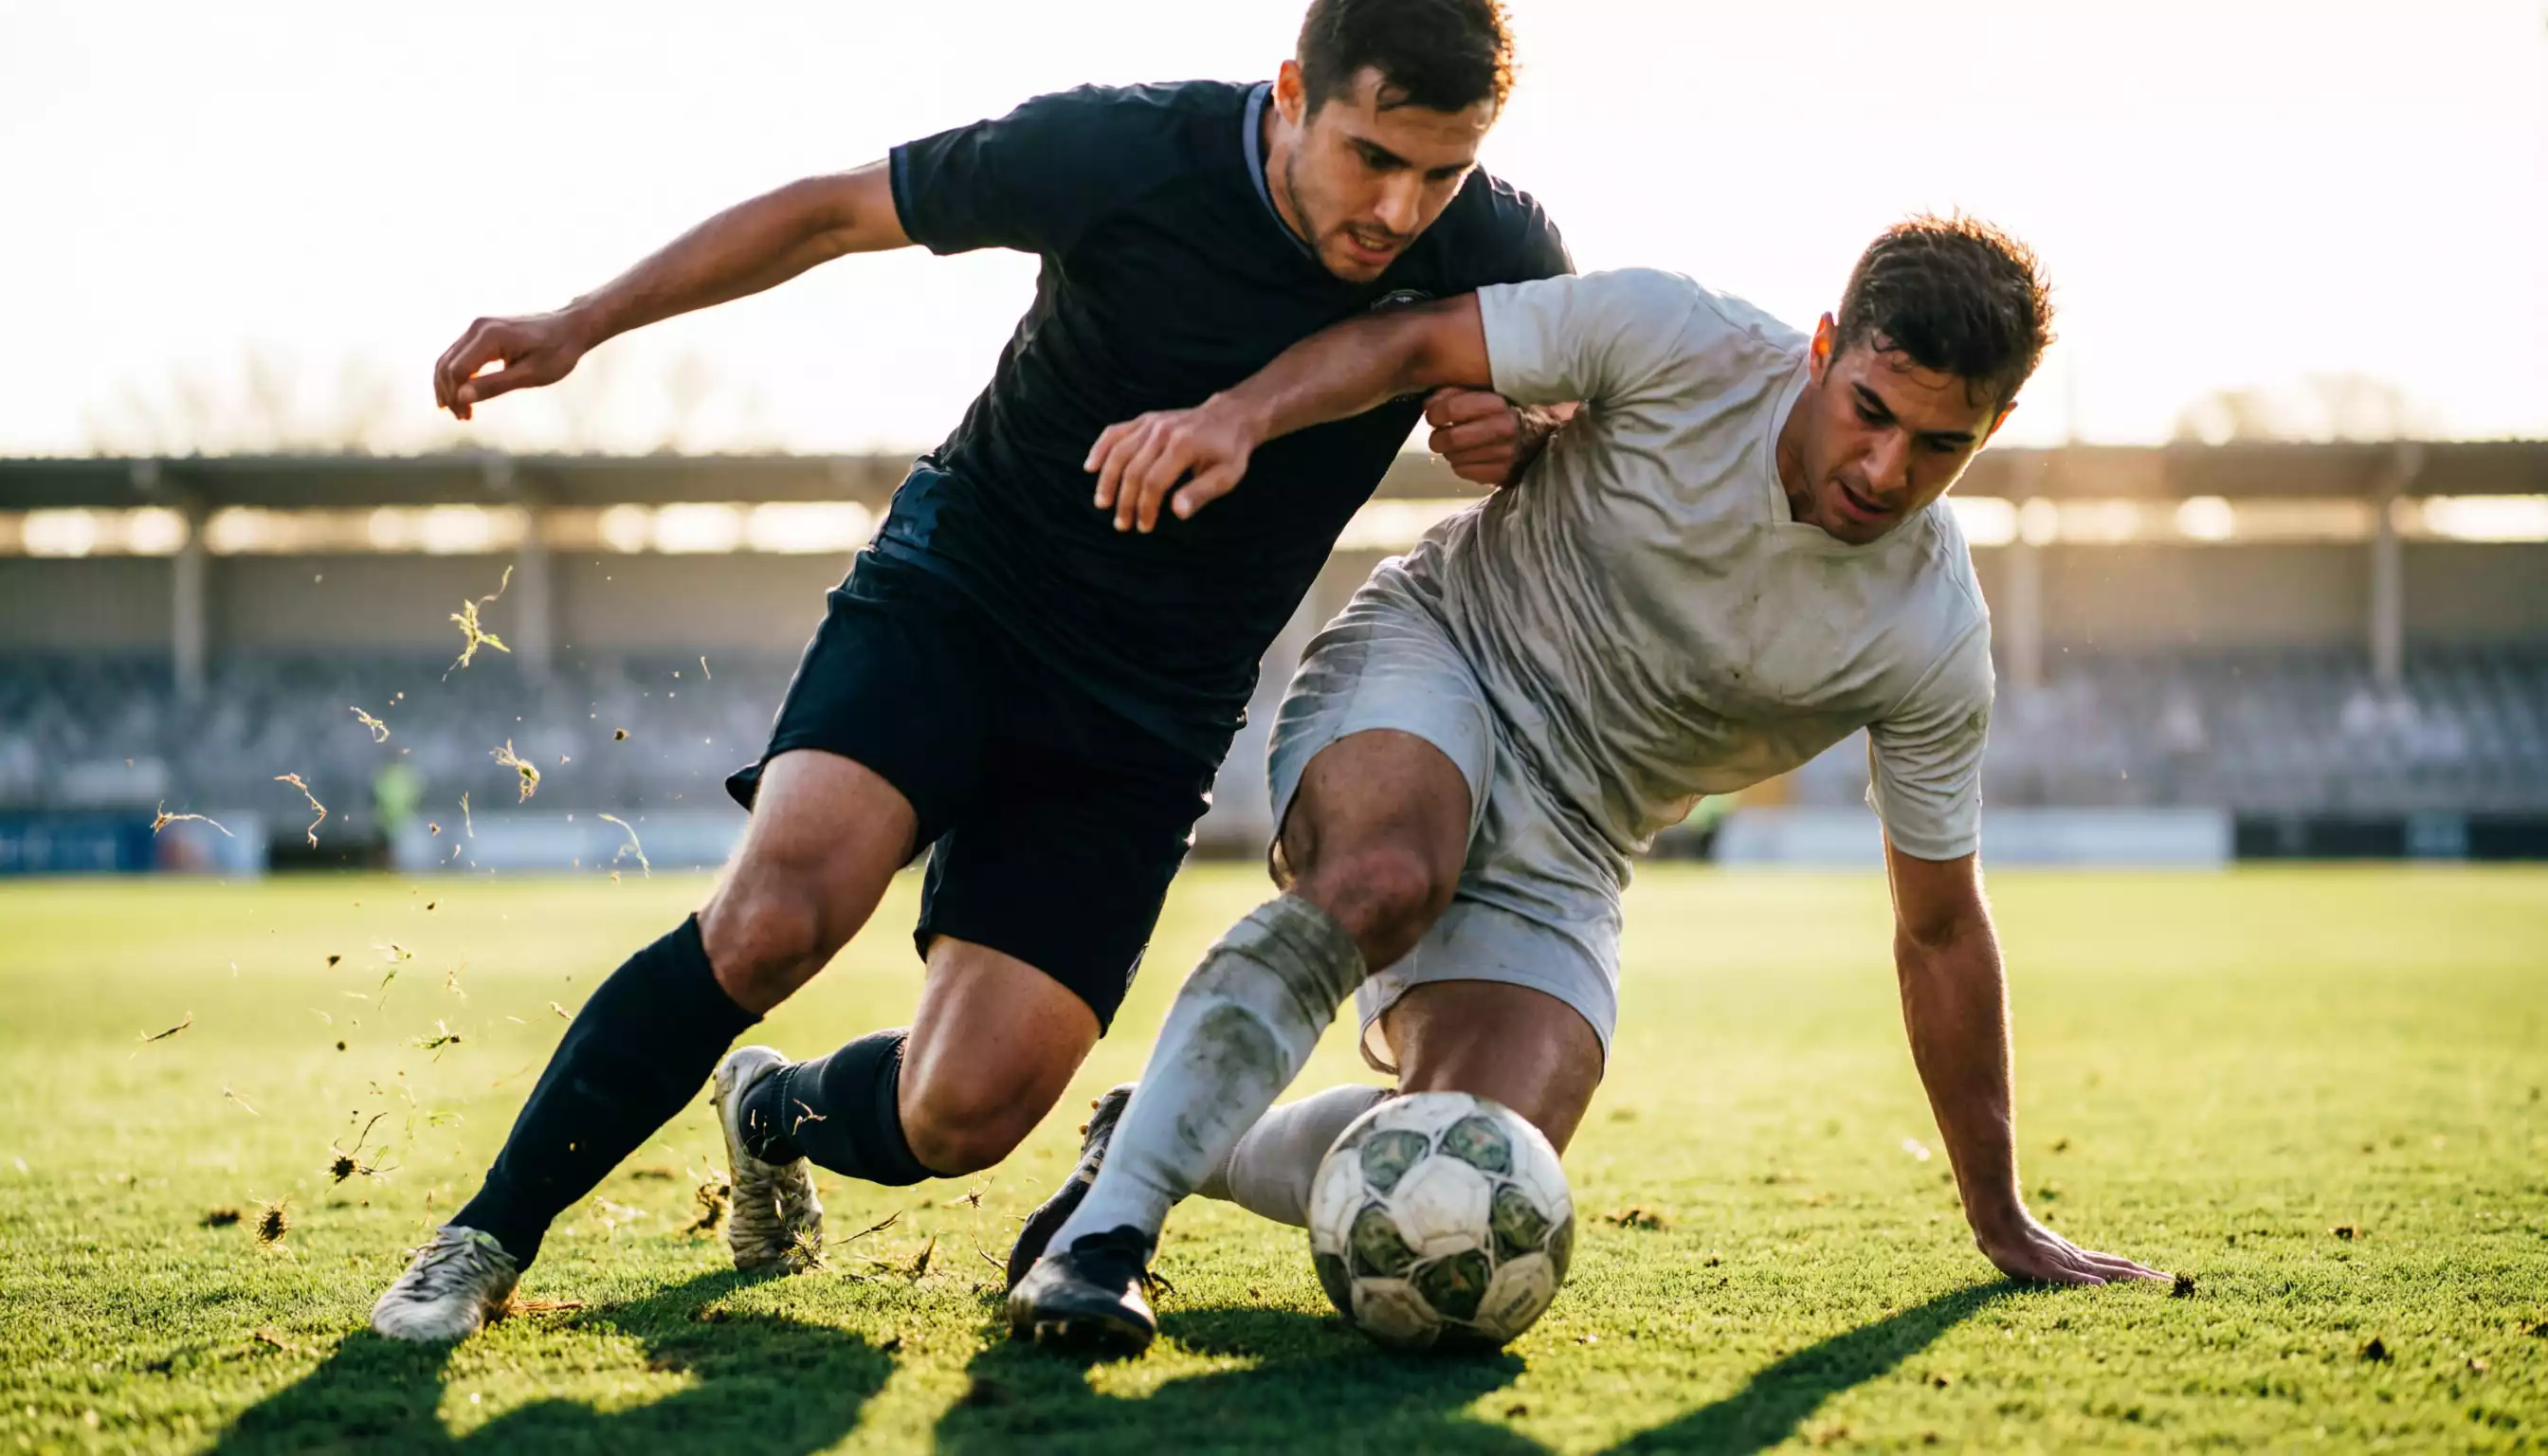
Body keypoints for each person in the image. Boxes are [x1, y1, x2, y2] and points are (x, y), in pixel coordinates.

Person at [369, 0, 1573, 1342]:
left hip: (1149, 710)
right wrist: (581, 322)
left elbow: (1577, 411)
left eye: (1441, 171)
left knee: (968, 1113)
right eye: (1372, 157)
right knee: (778, 917)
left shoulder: (1502, 250)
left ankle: (771, 1112)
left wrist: (1521, 426)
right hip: (967, 592)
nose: (1402, 210)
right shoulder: (1123, 151)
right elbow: (834, 211)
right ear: (1294, 90)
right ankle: (485, 1238)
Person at [1008, 216, 2171, 1354]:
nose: (1885, 467)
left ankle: (1159, 1138)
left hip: (1578, 839)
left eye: (1940, 446)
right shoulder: (1678, 337)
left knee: (1480, 1156)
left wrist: (1997, 1210)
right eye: (1871, 410)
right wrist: (1234, 420)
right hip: (1441, 657)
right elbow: (1418, 344)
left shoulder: (1929, 632)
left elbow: (1940, 927)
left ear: (1996, 426)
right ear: (1824, 348)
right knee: (1387, 875)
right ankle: (1105, 1241)